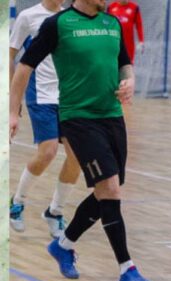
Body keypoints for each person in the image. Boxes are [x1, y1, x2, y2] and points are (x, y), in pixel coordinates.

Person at [10, 0, 152, 281]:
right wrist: (12, 112)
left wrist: (130, 81)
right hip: (78, 118)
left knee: (107, 191)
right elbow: (24, 67)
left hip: (112, 116)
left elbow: (124, 62)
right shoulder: (57, 24)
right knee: (109, 188)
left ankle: (63, 245)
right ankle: (127, 268)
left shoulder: (111, 23)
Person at [9, 0, 80, 238]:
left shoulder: (70, 18)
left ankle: (55, 212)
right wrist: (12, 103)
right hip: (40, 94)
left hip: (68, 96)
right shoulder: (28, 17)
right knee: (48, 151)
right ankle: (17, 202)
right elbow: (10, 56)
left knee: (77, 156)